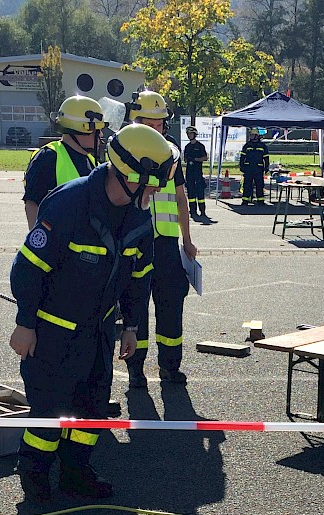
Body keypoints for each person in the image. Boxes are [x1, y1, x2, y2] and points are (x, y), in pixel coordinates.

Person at [9, 123, 174, 503]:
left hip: (98, 333)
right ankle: (34, 473)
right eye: (151, 184)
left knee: (92, 409)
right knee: (49, 411)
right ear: (130, 175)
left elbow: (138, 278)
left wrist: (131, 326)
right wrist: (25, 323)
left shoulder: (137, 217)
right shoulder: (68, 204)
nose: (154, 193)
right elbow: (28, 267)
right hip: (51, 332)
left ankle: (76, 472)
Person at [123, 90, 199, 388]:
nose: (157, 129)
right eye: (150, 123)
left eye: (160, 123)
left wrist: (187, 240)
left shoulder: (173, 152)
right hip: (135, 244)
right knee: (135, 308)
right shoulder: (123, 152)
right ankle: (135, 371)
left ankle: (169, 367)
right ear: (135, 121)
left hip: (166, 245)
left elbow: (181, 199)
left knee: (171, 307)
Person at [22, 95, 105, 227]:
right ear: (82, 128)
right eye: (97, 129)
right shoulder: (48, 157)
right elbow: (32, 205)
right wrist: (40, 243)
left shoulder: (91, 160)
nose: (101, 135)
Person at [183, 124, 209, 220]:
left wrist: (196, 159)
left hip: (198, 172)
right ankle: (193, 211)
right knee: (191, 193)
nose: (189, 135)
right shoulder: (187, 147)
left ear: (195, 134)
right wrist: (188, 159)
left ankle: (202, 211)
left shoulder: (200, 146)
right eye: (188, 134)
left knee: (200, 192)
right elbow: (185, 158)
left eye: (191, 134)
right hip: (189, 173)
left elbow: (205, 157)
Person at [238, 128, 268, 205]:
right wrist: (241, 166)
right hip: (248, 168)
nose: (250, 136)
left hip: (258, 168)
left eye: (252, 135)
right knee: (247, 184)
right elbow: (242, 157)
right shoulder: (247, 145)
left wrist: (266, 167)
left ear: (256, 136)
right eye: (250, 135)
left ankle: (260, 200)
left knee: (259, 185)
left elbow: (266, 157)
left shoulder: (262, 146)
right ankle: (245, 200)